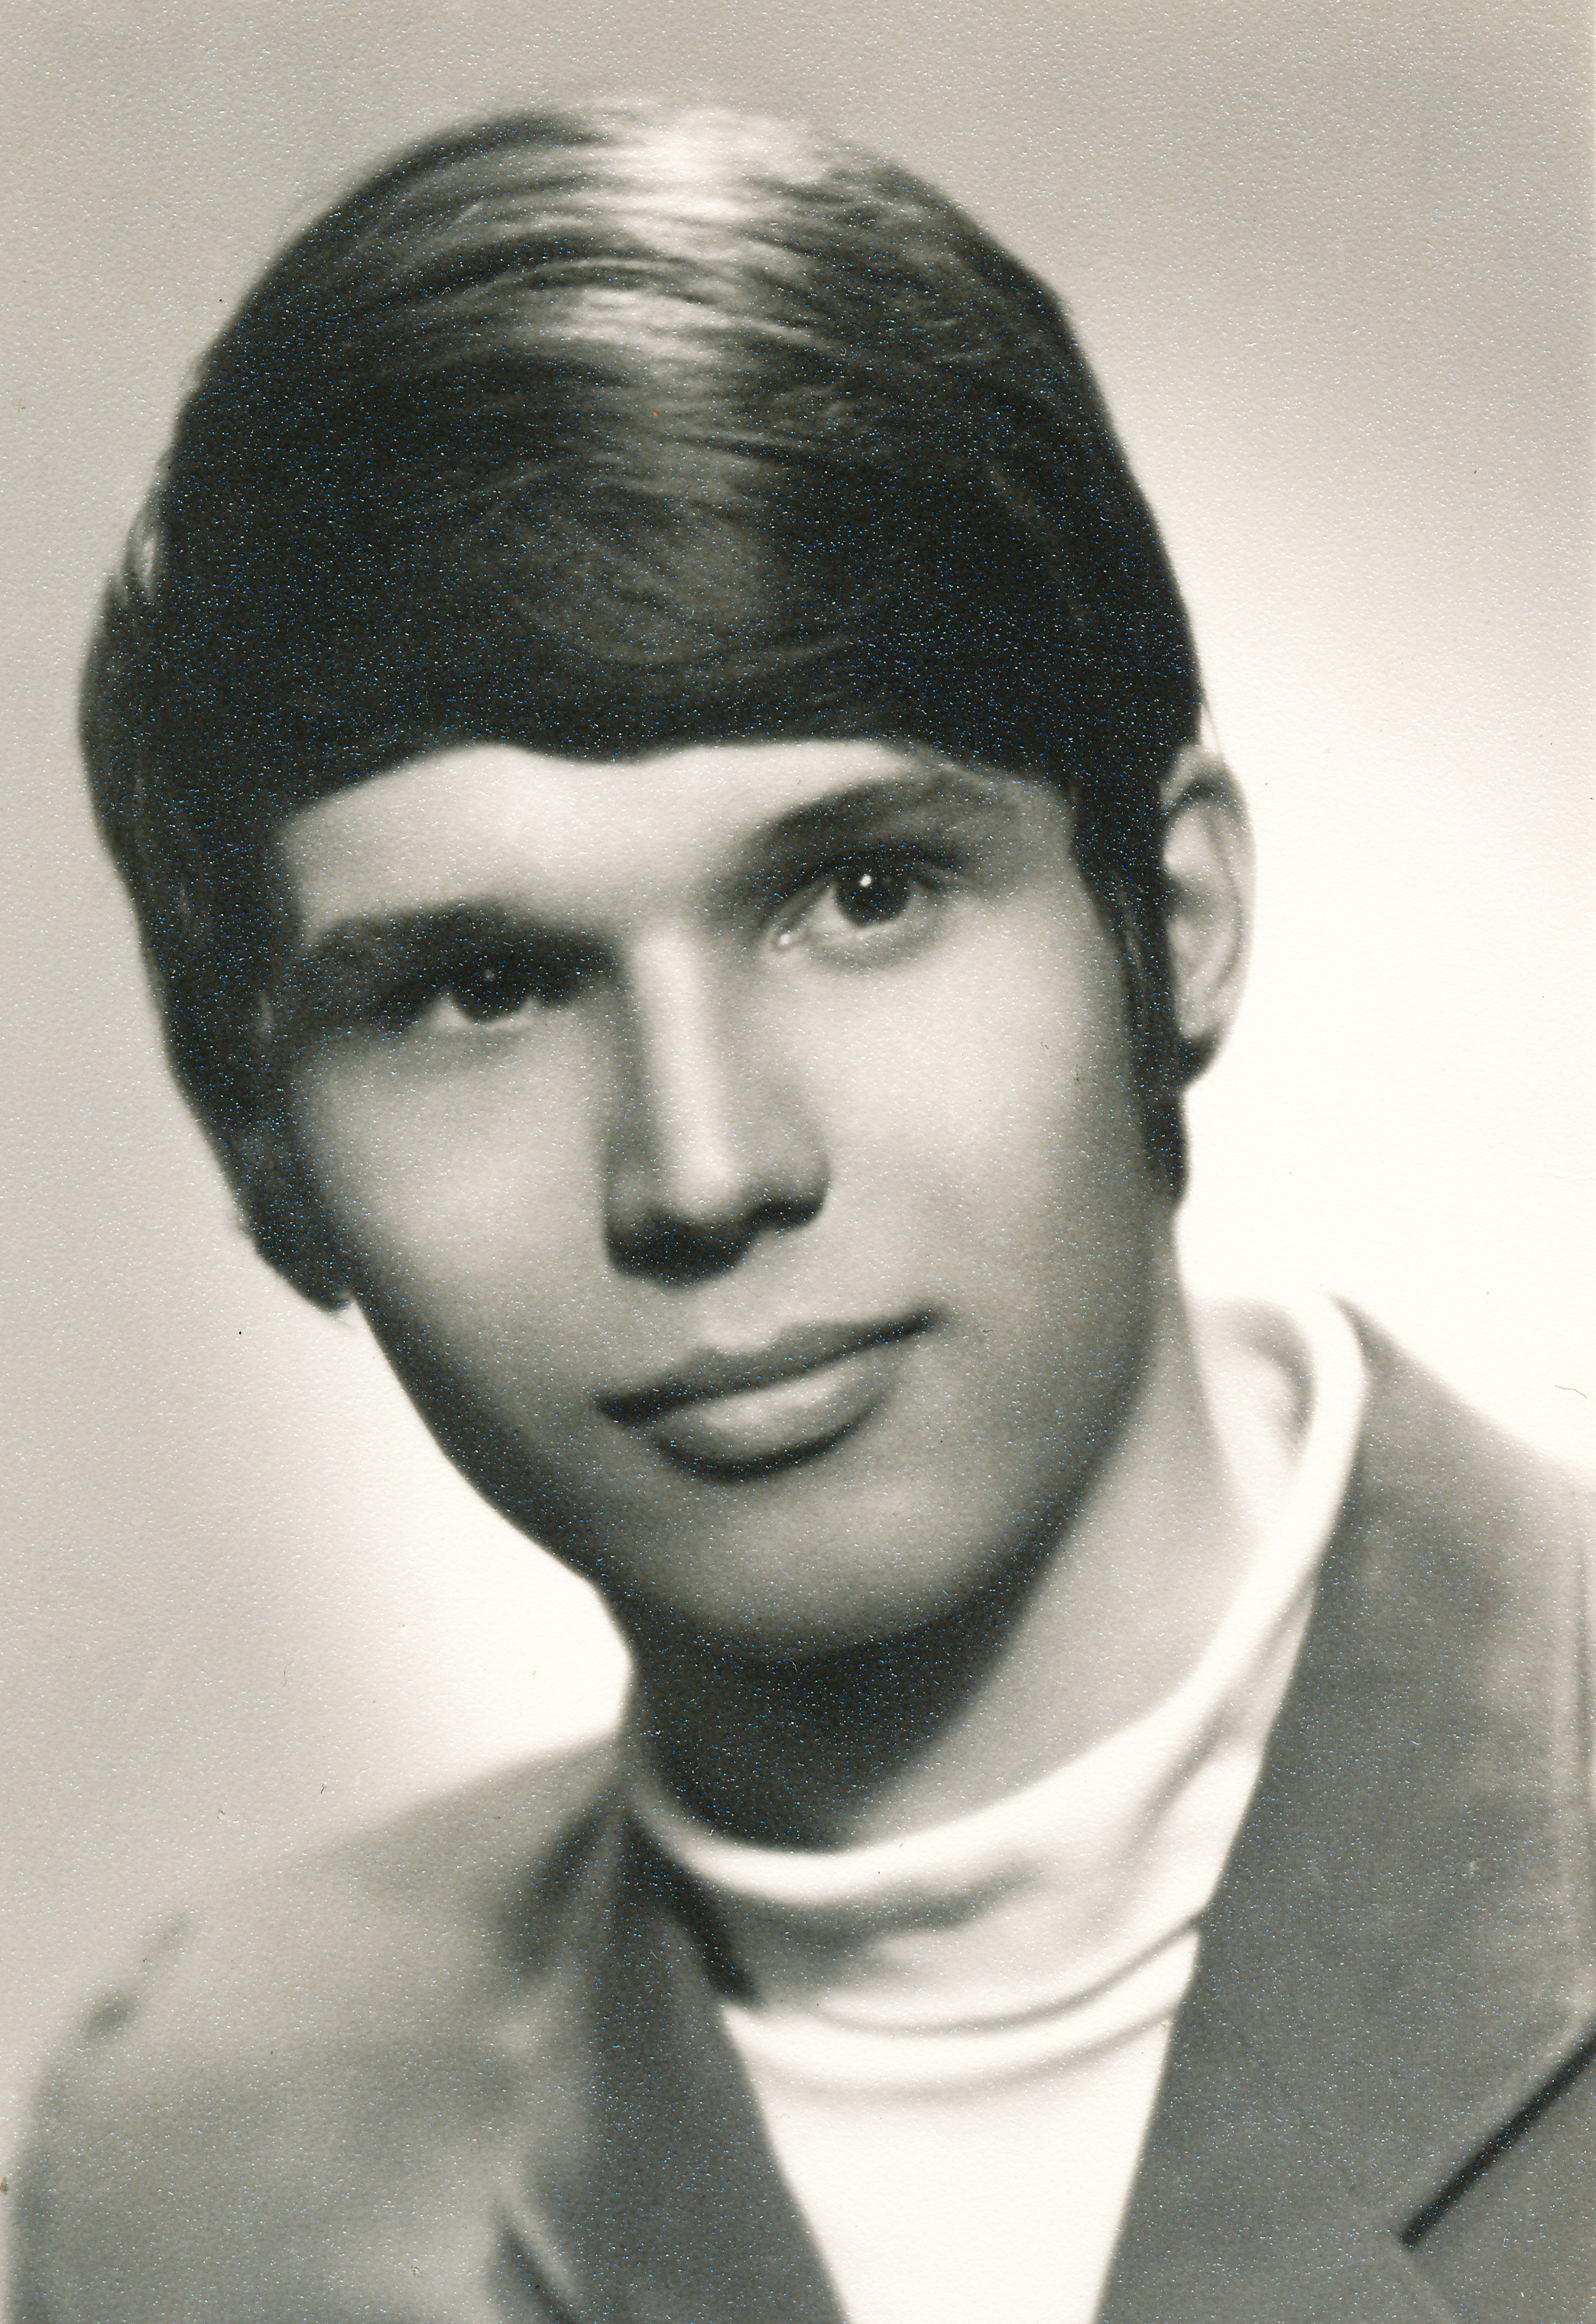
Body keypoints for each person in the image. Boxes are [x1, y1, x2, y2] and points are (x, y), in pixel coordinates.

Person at [15, 99, 1594, 2324]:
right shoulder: (190, 2187)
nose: (703, 1166)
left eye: (861, 893)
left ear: (1174, 923)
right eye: (481, 991)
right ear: (264, 1154)